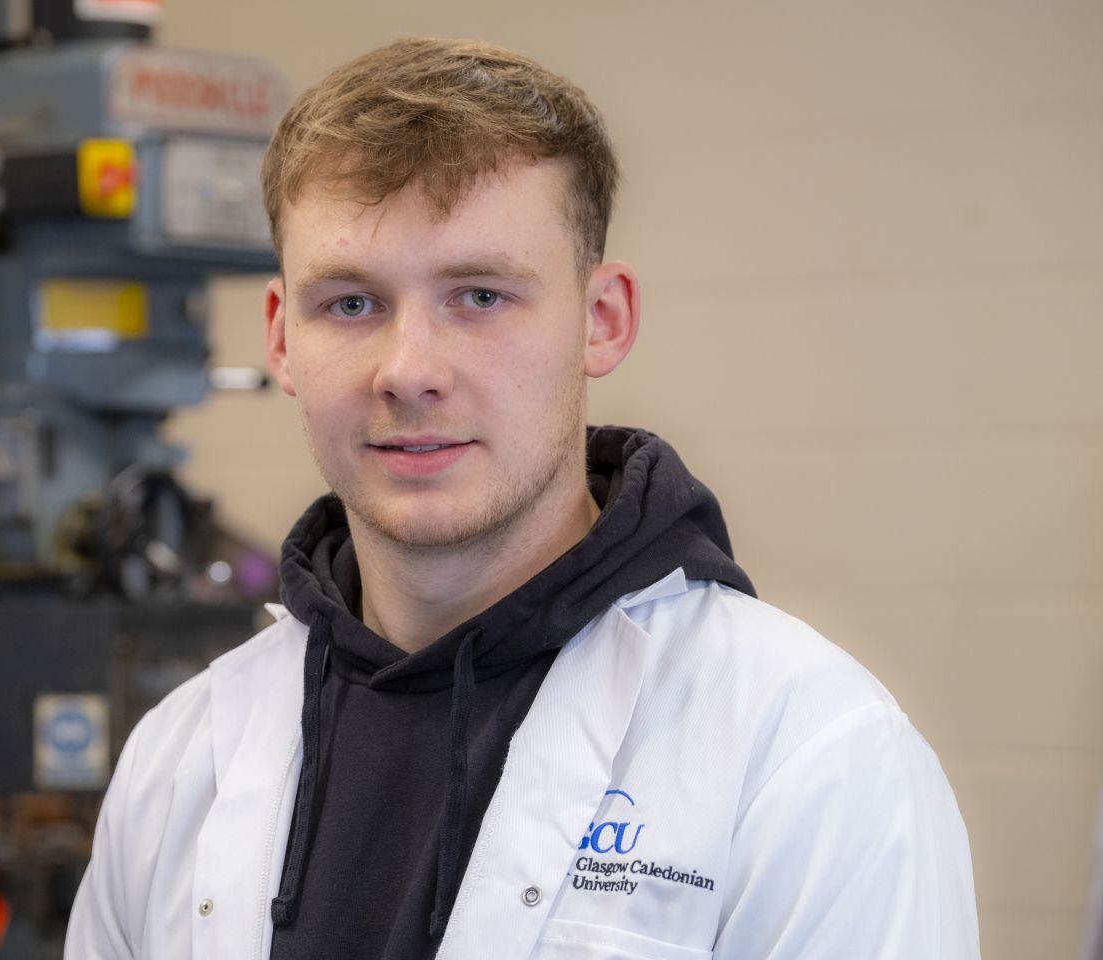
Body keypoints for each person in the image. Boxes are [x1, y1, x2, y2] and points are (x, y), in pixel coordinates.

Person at [65, 37, 980, 960]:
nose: (409, 371)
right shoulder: (179, 764)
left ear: (601, 319)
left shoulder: (804, 755)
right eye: (350, 304)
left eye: (481, 296)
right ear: (279, 337)